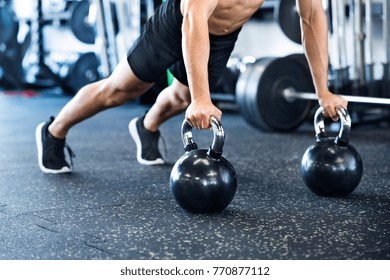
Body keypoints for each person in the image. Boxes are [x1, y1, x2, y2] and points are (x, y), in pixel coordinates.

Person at [35, 0, 348, 173]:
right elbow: (194, 16)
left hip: (223, 34)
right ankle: (54, 131)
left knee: (182, 96)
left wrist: (324, 92)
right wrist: (202, 97)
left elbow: (311, 17)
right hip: (179, 22)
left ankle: (147, 126)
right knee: (120, 91)